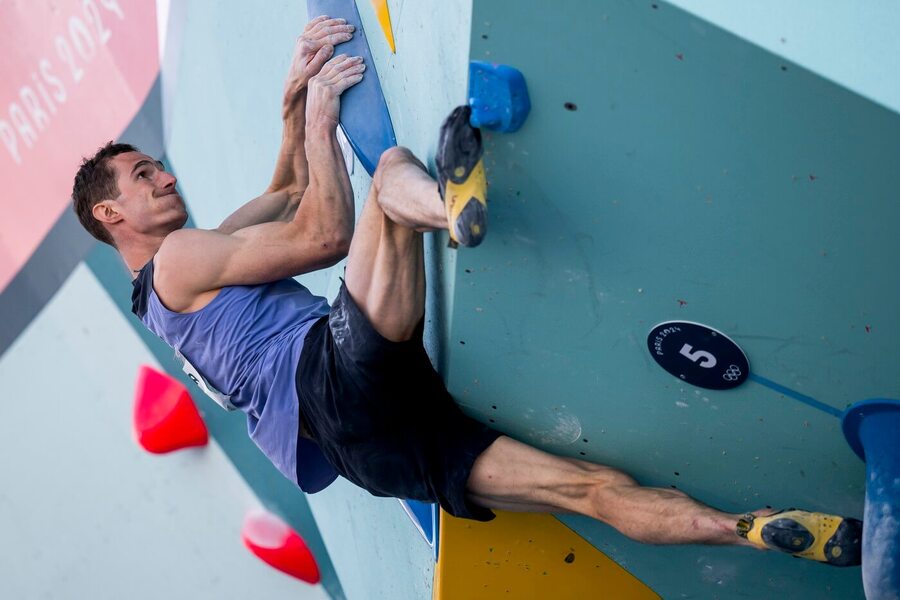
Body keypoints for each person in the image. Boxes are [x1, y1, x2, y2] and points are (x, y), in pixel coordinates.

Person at [71, 16, 861, 566]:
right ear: (112, 214)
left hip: (368, 454)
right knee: (386, 180)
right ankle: (451, 210)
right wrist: (320, 122)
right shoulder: (176, 261)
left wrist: (291, 103)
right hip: (332, 381)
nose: (165, 175)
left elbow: (280, 194)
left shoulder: (170, 293)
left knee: (591, 492)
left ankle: (743, 529)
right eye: (145, 176)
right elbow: (320, 236)